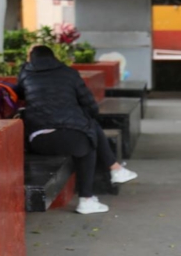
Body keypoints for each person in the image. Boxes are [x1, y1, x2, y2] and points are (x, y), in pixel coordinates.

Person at [15, 45, 137, 215]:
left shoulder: (26, 73)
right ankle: (88, 198)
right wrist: (84, 117)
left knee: (88, 130)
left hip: (37, 140)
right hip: (67, 136)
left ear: (31, 58)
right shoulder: (69, 73)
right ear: (54, 57)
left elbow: (19, 92)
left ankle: (116, 170)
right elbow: (90, 105)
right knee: (88, 136)